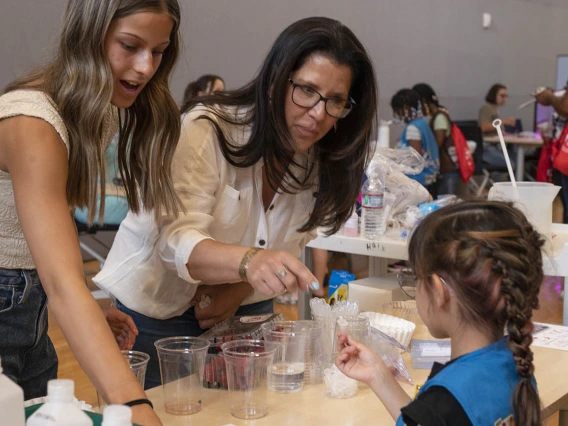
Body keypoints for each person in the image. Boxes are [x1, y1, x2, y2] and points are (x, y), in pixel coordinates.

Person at [95, 16, 378, 389]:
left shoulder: (323, 155)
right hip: (156, 314)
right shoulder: (207, 129)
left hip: (246, 312)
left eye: (336, 101)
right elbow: (173, 240)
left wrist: (242, 286)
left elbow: (291, 240)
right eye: (307, 91)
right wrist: (248, 262)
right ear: (277, 80)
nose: (318, 113)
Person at [0, 0, 183, 424]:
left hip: (30, 309)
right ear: (88, 35)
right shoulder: (33, 122)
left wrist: (79, 303)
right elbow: (61, 281)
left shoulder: (96, 110)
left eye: (158, 51)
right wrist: (136, 406)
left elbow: (43, 249)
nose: (144, 67)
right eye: (130, 45)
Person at [335, 200, 543, 426]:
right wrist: (378, 375)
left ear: (438, 290)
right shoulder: (516, 366)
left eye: (417, 278)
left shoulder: (445, 401)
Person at [412, 83, 461, 196]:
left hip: (447, 170)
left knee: (446, 206)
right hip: (442, 171)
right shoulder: (435, 117)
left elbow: (435, 145)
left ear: (423, 101)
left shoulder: (439, 118)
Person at [391, 88, 439, 196]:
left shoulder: (412, 128)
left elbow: (415, 158)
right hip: (429, 178)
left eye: (398, 112)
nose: (399, 116)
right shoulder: (422, 123)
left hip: (418, 181)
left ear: (406, 108)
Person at [536, 85, 568, 223]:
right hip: (561, 149)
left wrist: (549, 98)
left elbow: (566, 107)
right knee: (561, 201)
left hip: (564, 154)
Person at [479, 84, 517, 169]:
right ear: (493, 95)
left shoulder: (495, 109)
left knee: (516, 159)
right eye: (502, 96)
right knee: (511, 164)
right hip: (487, 148)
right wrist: (503, 121)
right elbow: (484, 127)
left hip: (496, 146)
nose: (504, 99)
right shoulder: (487, 108)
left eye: (505, 96)